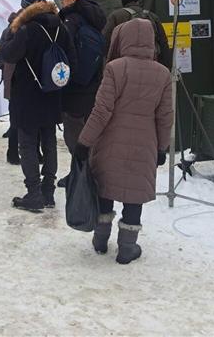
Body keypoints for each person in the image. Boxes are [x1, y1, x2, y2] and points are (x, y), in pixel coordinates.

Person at [75, 19, 174, 264]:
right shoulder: (163, 73)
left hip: (111, 141)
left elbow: (101, 111)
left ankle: (100, 240)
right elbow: (165, 116)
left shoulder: (115, 68)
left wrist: (84, 142)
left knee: (105, 188)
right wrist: (162, 147)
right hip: (145, 144)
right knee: (134, 195)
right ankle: (127, 248)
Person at [0, 0, 74, 212]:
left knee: (28, 143)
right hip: (52, 93)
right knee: (49, 141)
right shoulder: (61, 28)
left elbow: (8, 54)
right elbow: (72, 59)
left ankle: (33, 193)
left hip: (27, 95)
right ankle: (48, 191)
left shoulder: (27, 29)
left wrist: (13, 32)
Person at [57, 0, 107, 187]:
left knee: (74, 134)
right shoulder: (94, 18)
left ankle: (82, 177)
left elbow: (63, 51)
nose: (62, 0)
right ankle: (82, 173)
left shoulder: (72, 20)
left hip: (74, 87)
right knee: (87, 131)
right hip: (92, 84)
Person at [103, 0, 171, 68]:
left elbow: (105, 42)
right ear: (137, 0)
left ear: (123, 1)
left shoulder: (116, 16)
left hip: (124, 66)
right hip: (151, 64)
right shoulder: (152, 16)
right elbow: (163, 43)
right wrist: (167, 66)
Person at [0, 10, 21, 165]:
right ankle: (12, 152)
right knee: (17, 119)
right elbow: (1, 52)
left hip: (14, 80)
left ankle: (14, 152)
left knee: (16, 117)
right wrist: (4, 66)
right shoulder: (12, 30)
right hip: (15, 80)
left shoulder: (15, 29)